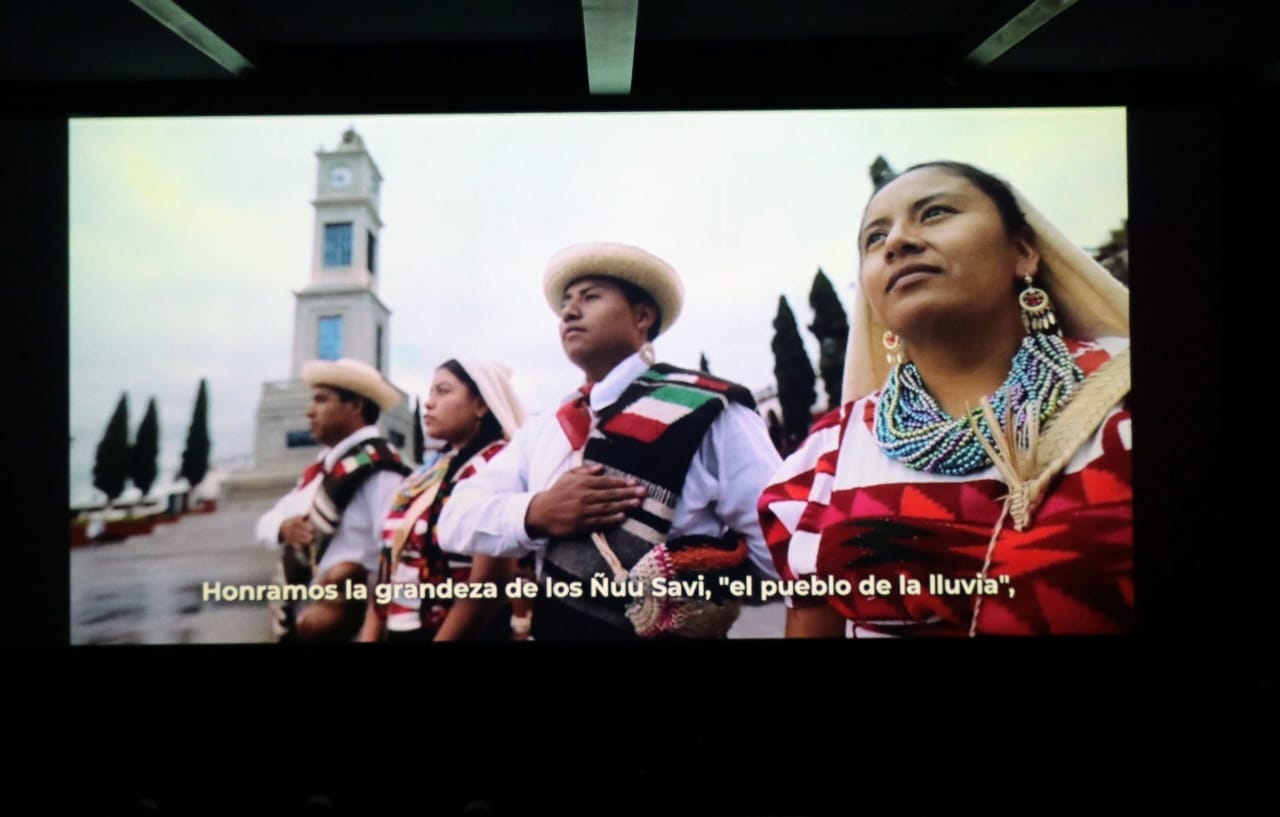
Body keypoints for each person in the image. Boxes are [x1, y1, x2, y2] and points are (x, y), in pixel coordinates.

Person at [759, 161, 1132, 637]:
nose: (897, 242)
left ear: (1023, 252)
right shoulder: (824, 459)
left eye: (934, 212)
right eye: (875, 238)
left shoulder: (1123, 390)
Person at [437, 242, 782, 641]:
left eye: (591, 297)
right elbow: (454, 521)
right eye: (566, 302)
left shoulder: (710, 410)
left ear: (642, 316)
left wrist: (704, 584)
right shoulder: (543, 429)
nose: (569, 311)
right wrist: (536, 512)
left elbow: (782, 552)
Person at [359, 358, 527, 643]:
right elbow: (391, 562)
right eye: (430, 392)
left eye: (443, 391)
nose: (428, 403)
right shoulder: (428, 472)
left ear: (481, 404)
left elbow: (489, 584)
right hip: (401, 629)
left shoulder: (496, 467)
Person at [255, 358, 410, 641]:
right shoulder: (324, 469)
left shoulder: (380, 469)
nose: (309, 412)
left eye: (321, 400)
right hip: (304, 621)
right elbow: (265, 524)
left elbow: (396, 559)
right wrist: (283, 528)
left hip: (353, 626)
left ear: (355, 406)